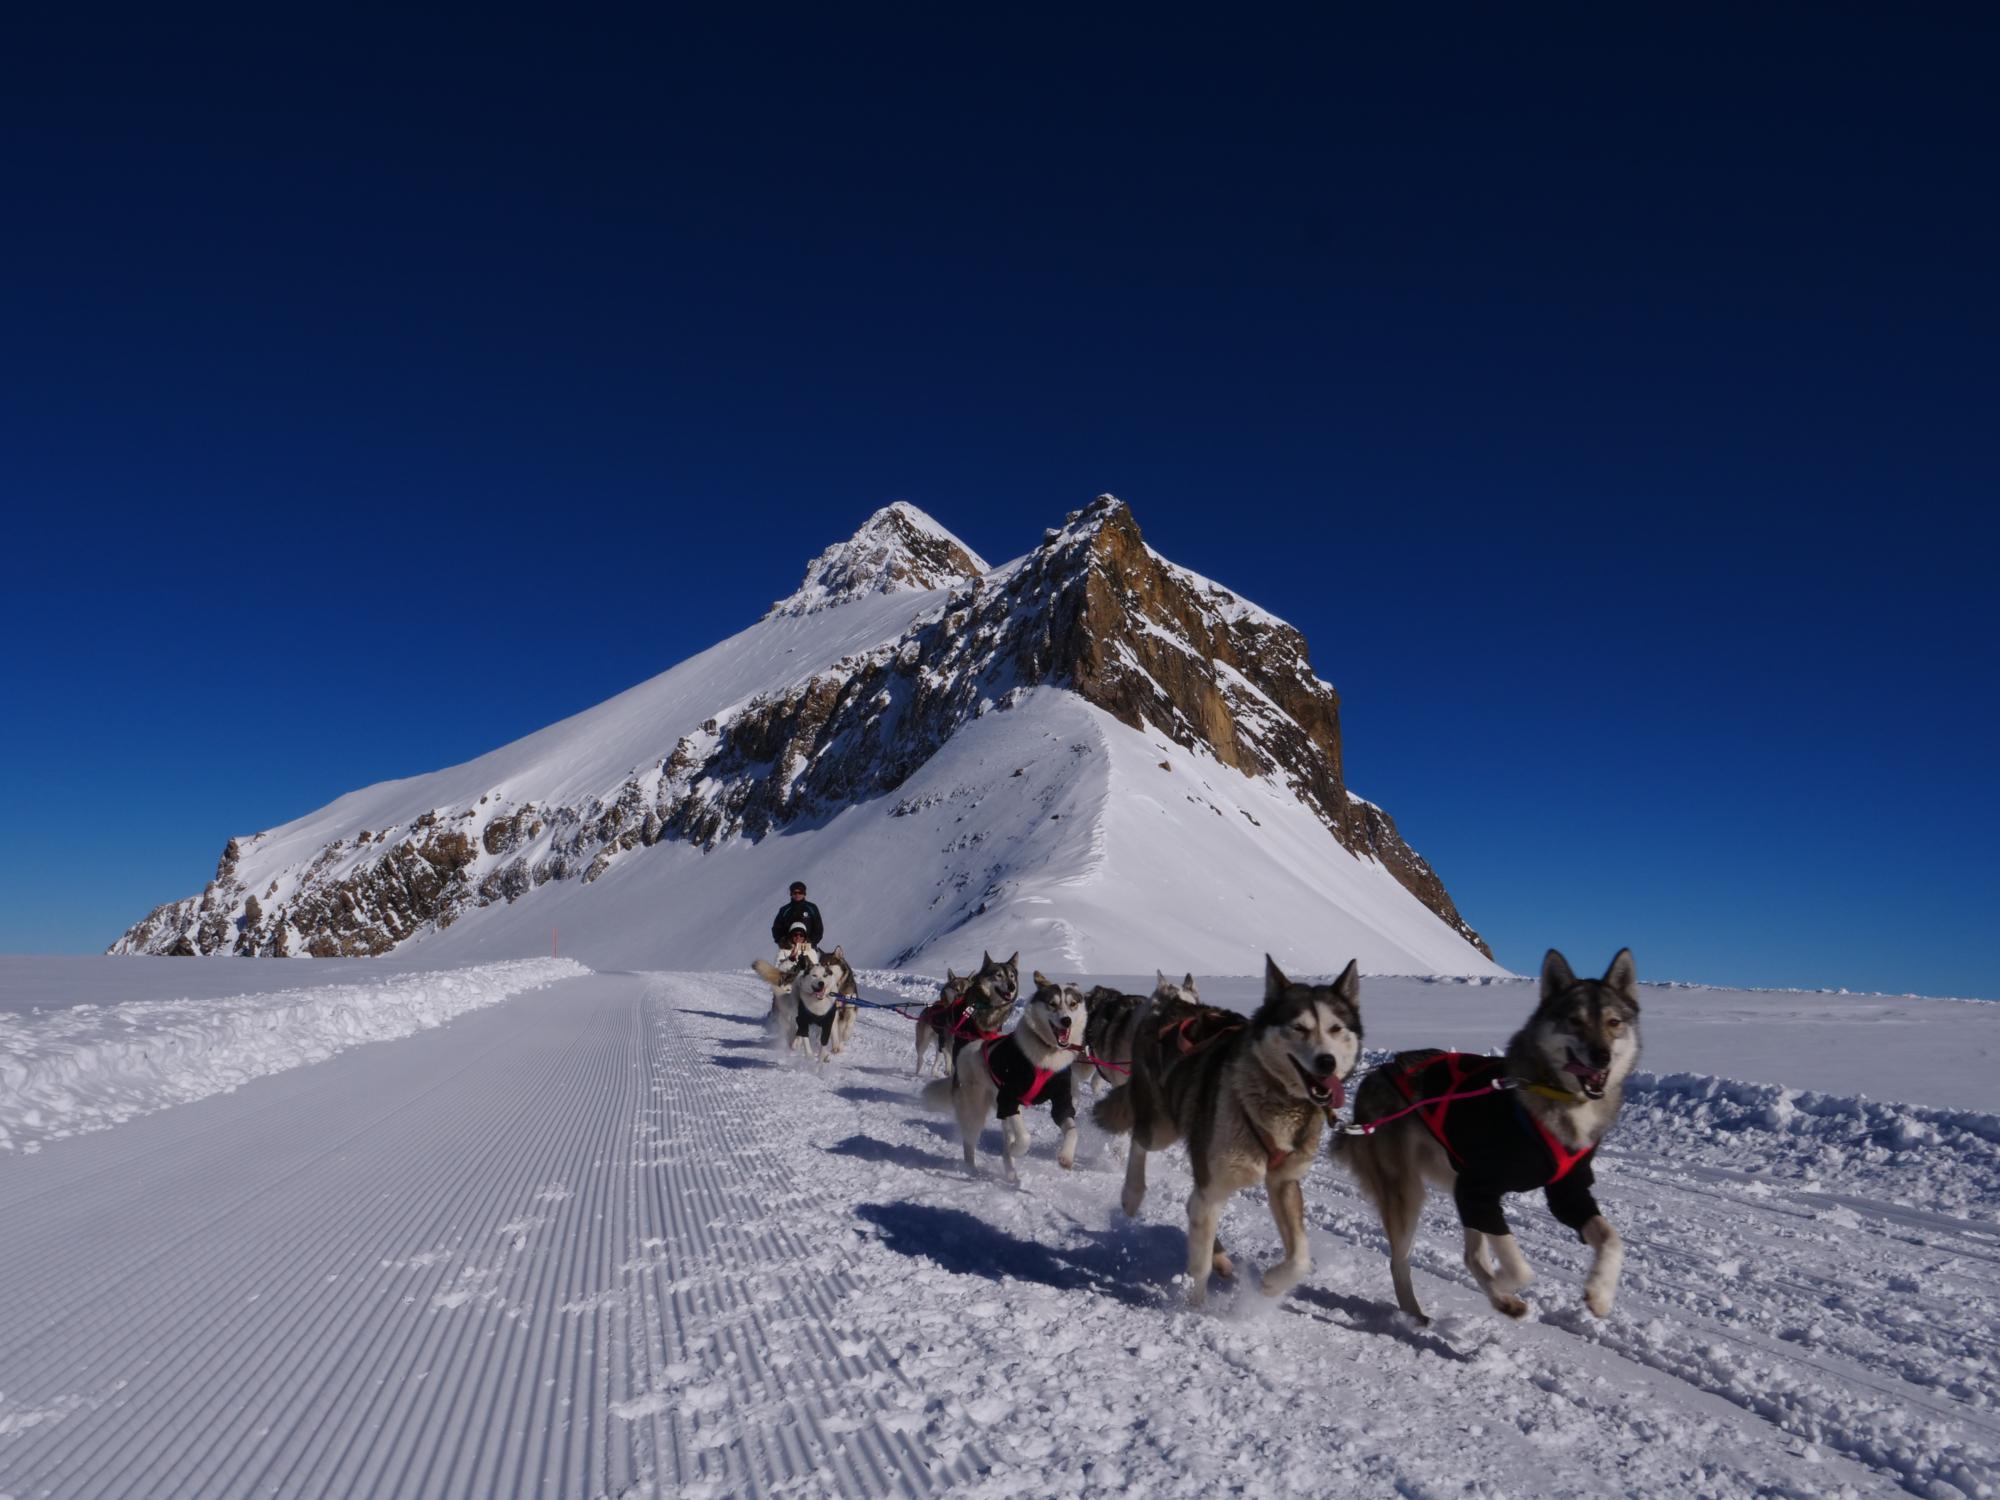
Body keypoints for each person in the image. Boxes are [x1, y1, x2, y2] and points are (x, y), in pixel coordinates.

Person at [771, 881, 824, 950]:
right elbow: (776, 928)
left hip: (808, 947)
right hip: (789, 948)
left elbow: (818, 928)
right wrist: (782, 942)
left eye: (800, 892)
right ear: (791, 894)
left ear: (804, 894)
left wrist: (811, 942)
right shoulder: (784, 910)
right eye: (794, 892)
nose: (797, 895)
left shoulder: (812, 908)